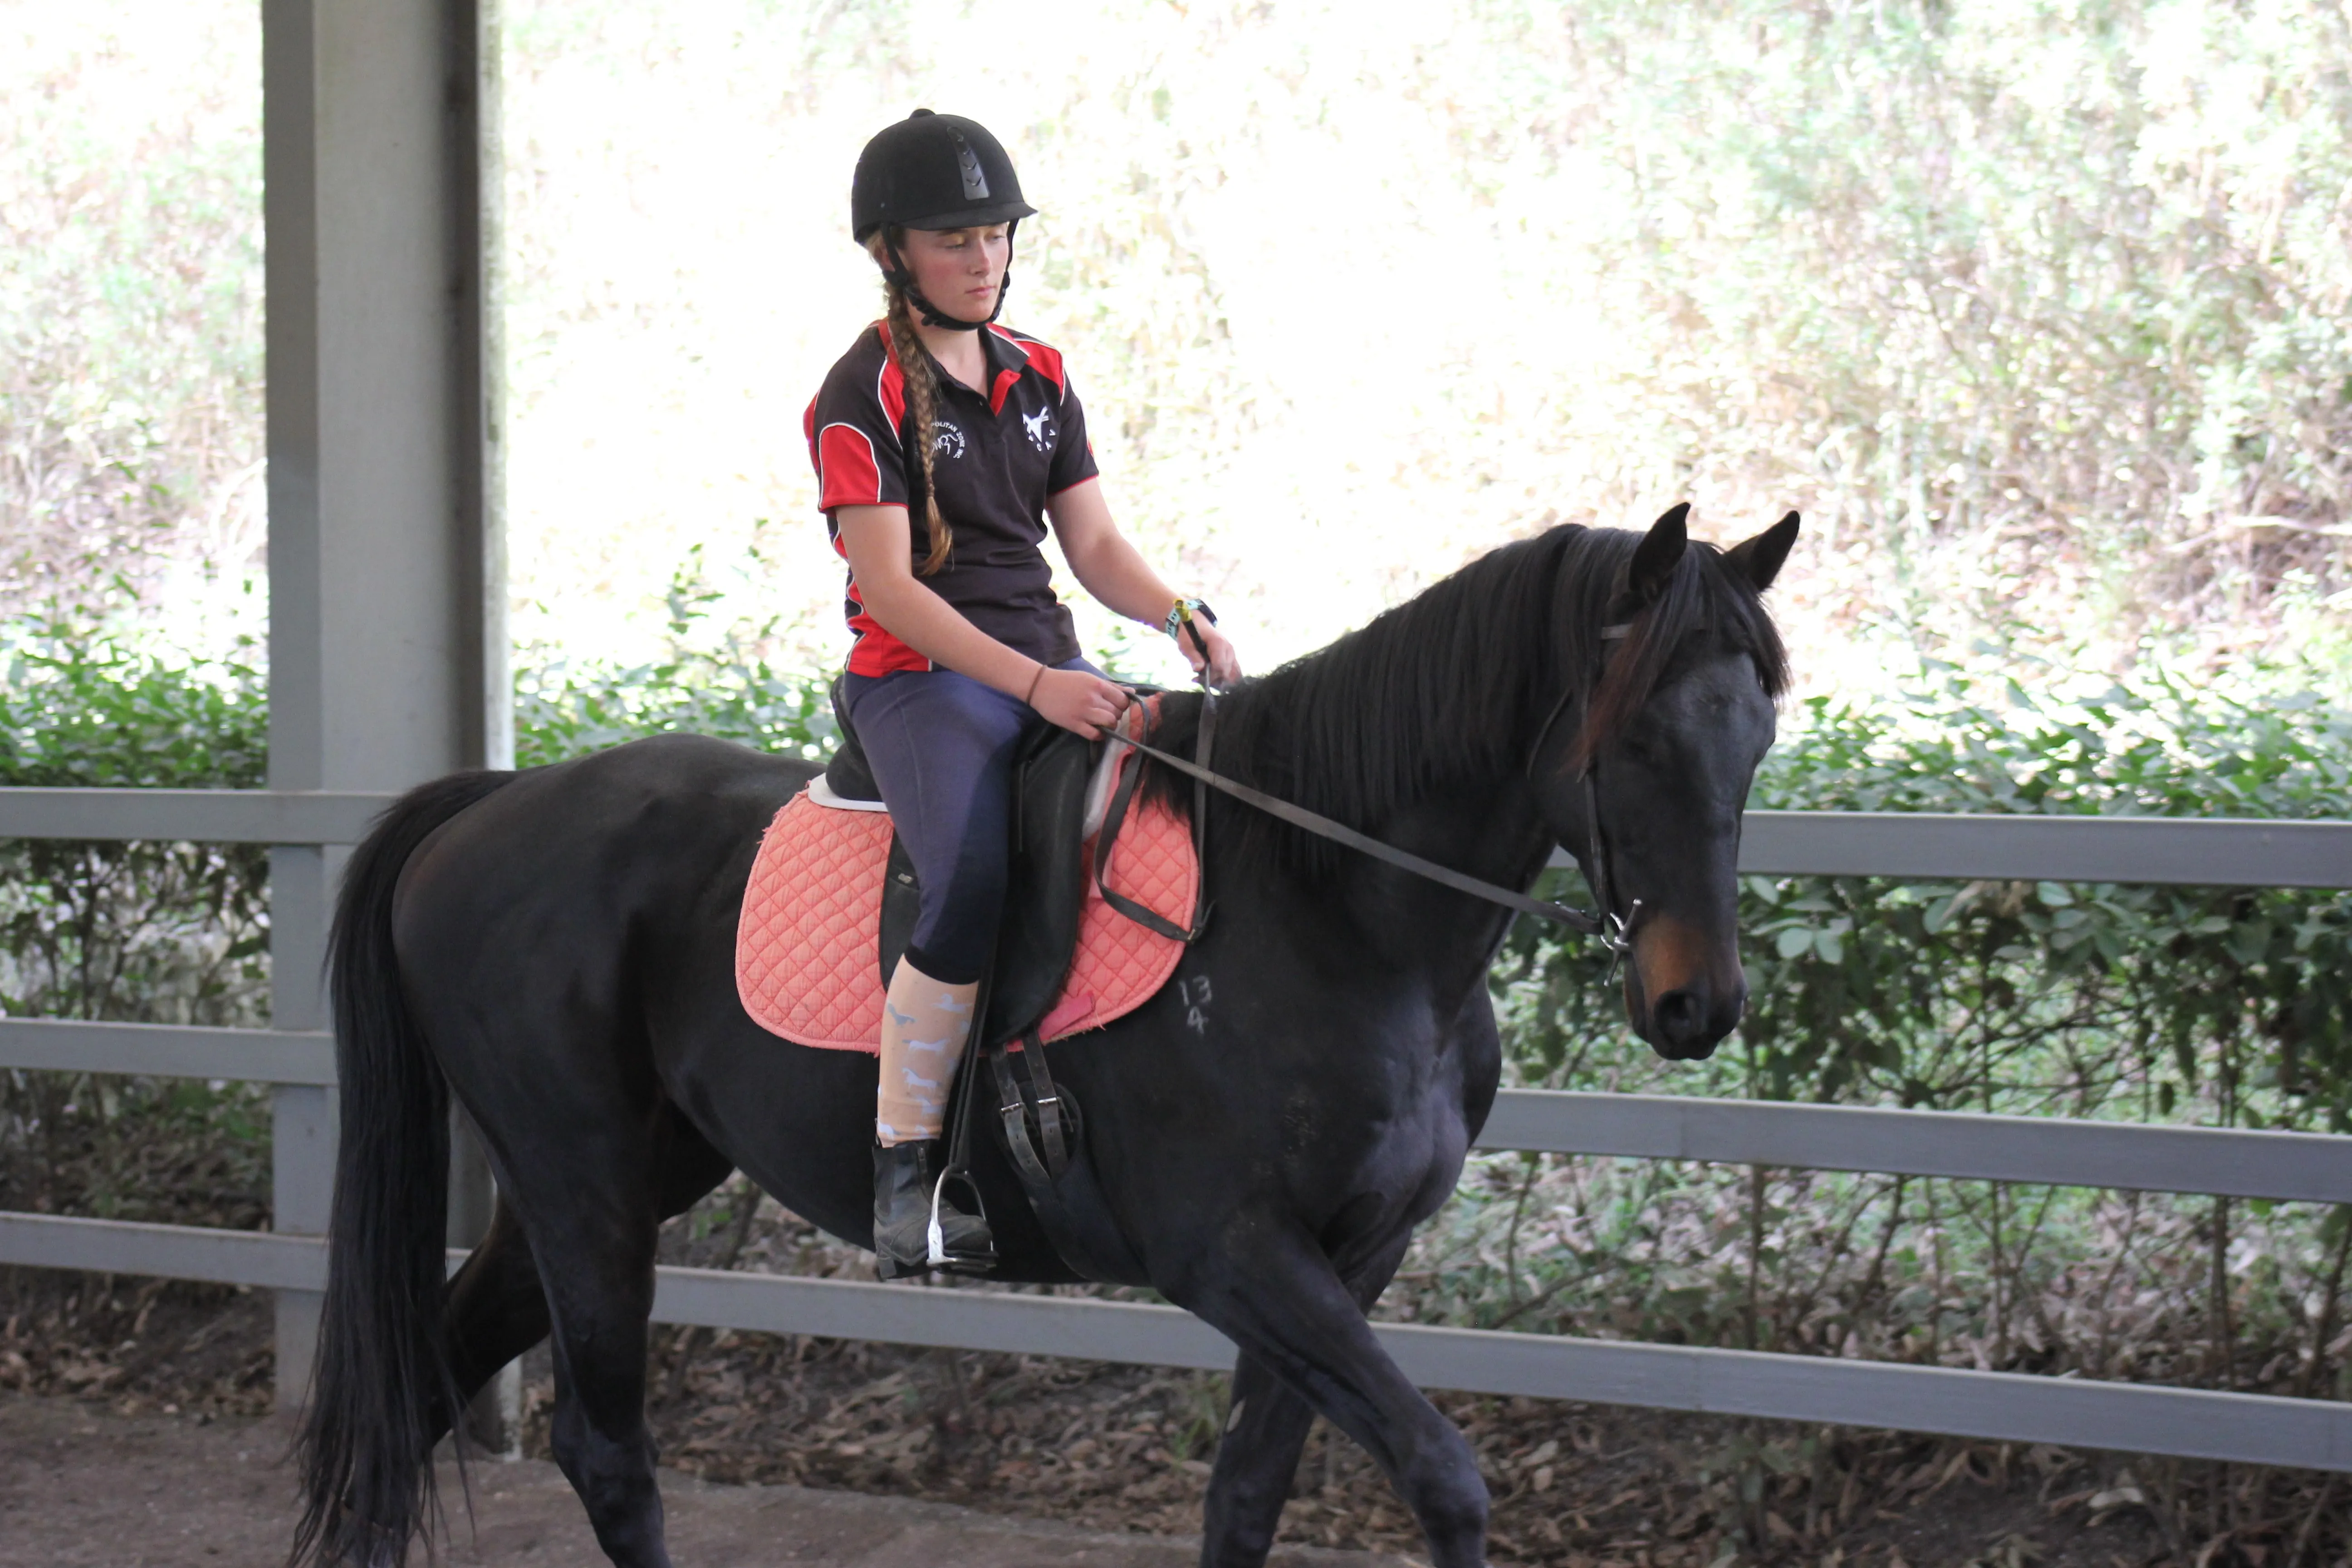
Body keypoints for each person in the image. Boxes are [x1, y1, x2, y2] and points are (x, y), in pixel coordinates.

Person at [804, 110, 1242, 1275]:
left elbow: (1093, 545)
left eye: (996, 236)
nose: (984, 259)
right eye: (955, 241)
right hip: (923, 683)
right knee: (972, 875)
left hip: (1045, 659)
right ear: (893, 252)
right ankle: (907, 1170)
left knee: (1191, 792)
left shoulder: (1040, 375)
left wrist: (1178, 616)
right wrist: (1041, 686)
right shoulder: (860, 397)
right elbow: (892, 592)